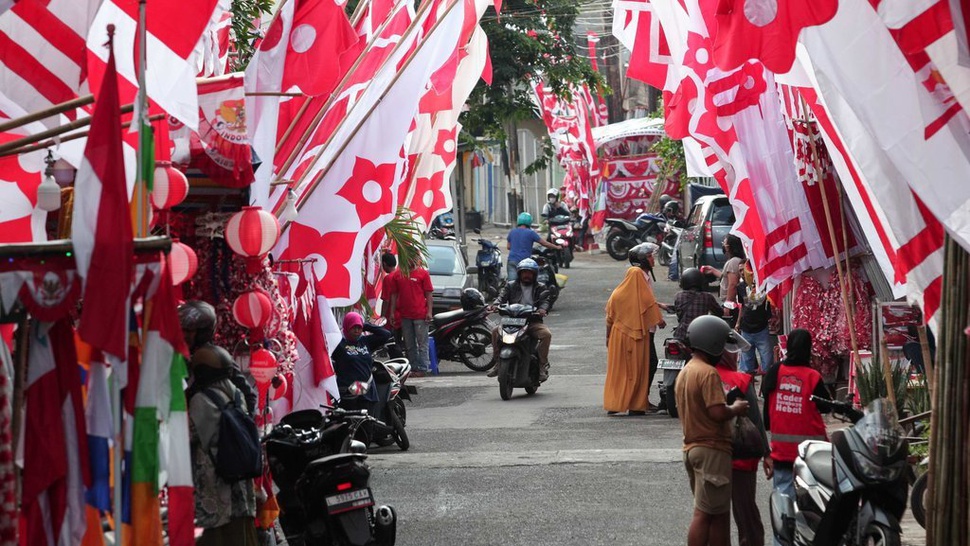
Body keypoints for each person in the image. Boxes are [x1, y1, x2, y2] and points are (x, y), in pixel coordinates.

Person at [674, 315, 751, 546]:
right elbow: (717, 412)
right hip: (711, 450)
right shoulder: (707, 373)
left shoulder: (687, 371)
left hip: (692, 447)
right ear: (713, 344)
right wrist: (735, 407)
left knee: (716, 513)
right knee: (705, 514)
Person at [186, 327, 259, 546]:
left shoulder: (201, 400)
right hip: (240, 480)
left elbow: (186, 436)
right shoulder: (237, 394)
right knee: (241, 535)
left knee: (217, 538)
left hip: (215, 484)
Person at [761, 329, 830, 546]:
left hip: (781, 455)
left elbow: (766, 417)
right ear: (808, 349)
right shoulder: (813, 377)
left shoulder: (774, 372)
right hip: (812, 459)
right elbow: (826, 407)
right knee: (813, 511)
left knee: (783, 511)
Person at [604, 243, 668, 415]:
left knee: (624, 370)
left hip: (624, 334)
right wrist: (659, 319)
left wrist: (608, 338)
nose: (653, 259)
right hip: (638, 334)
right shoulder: (639, 279)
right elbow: (646, 303)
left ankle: (622, 402)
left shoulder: (618, 293)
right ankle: (636, 402)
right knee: (640, 367)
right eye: (650, 256)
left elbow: (610, 316)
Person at [715, 358, 769, 546]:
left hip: (710, 455)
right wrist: (767, 454)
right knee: (746, 513)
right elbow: (755, 420)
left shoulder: (701, 376)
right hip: (741, 456)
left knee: (713, 515)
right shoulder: (741, 380)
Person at [486, 258, 554, 382]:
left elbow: (545, 301)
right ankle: (498, 363)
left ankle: (542, 366)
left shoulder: (541, 287)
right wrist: (495, 305)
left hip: (532, 321)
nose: (526, 275)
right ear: (519, 273)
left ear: (534, 274)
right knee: (495, 331)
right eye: (524, 272)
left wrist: (543, 309)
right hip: (512, 320)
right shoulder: (510, 285)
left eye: (529, 273)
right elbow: (501, 297)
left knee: (546, 334)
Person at [332, 312, 393, 408]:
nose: (356, 330)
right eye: (353, 327)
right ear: (347, 327)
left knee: (368, 420)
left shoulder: (365, 341)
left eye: (359, 327)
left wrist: (365, 325)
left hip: (366, 389)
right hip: (348, 391)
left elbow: (386, 334)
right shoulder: (338, 344)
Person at [387, 259, 434, 377]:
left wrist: (429, 311)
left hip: (420, 315)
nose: (411, 261)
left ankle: (423, 368)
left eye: (414, 258)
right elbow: (393, 295)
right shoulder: (398, 275)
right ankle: (413, 367)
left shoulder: (423, 274)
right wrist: (392, 313)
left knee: (422, 343)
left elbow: (428, 294)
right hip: (405, 315)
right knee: (409, 344)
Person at [735, 261, 774, 375]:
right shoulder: (741, 287)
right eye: (740, 270)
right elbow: (742, 306)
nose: (742, 273)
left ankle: (765, 390)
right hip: (746, 330)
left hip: (762, 329)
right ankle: (749, 390)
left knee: (767, 365)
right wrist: (738, 323)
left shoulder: (763, 285)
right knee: (747, 368)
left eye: (744, 270)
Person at [672, 268, 724, 342]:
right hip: (700, 335)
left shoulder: (678, 296)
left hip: (681, 335)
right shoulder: (707, 297)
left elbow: (677, 311)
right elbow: (719, 312)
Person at [507, 212, 561, 279]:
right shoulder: (531, 233)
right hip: (525, 263)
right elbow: (544, 243)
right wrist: (556, 247)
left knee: (512, 283)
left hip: (512, 261)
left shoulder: (512, 232)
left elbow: (508, 247)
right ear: (529, 222)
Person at [702, 234, 745, 316]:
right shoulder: (733, 261)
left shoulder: (734, 262)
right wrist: (713, 271)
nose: (723, 245)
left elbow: (732, 284)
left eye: (724, 243)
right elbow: (726, 278)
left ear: (729, 247)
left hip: (731, 304)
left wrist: (728, 305)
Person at [379, 252, 404, 358]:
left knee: (392, 340)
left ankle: (396, 359)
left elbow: (386, 300)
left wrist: (383, 316)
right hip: (403, 313)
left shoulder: (388, 278)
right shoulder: (401, 275)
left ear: (384, 264)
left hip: (391, 315)